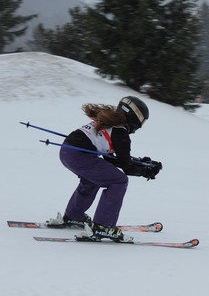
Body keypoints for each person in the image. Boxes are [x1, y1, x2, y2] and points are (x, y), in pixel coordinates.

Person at [48, 96, 162, 242]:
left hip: (67, 152)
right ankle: (104, 227)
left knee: (94, 179)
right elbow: (126, 167)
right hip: (80, 156)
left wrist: (140, 163)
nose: (141, 125)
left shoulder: (110, 124)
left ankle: (74, 216)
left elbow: (112, 160)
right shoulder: (120, 132)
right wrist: (146, 171)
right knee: (119, 181)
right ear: (135, 116)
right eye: (142, 121)